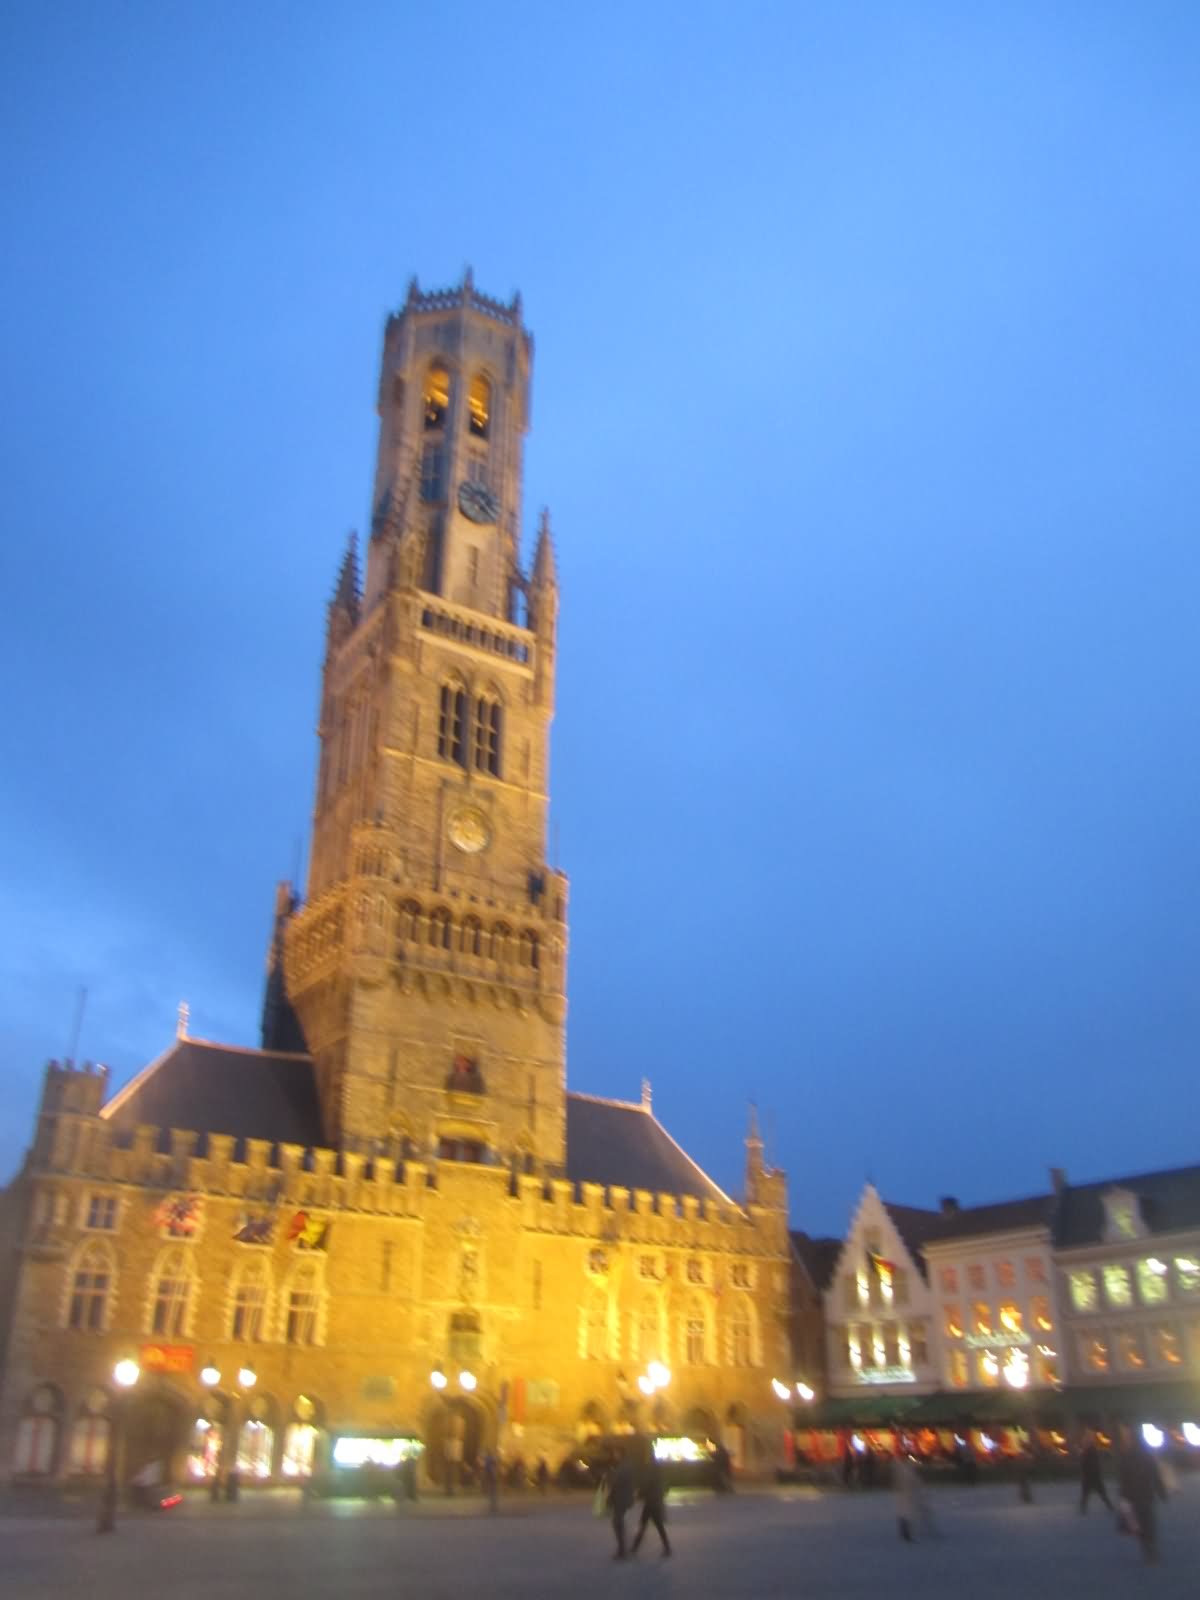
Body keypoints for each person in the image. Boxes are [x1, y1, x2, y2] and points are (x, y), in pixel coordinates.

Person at [1117, 1426, 1167, 1564]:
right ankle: (1151, 1550)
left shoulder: (1126, 1456)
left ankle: (1147, 1550)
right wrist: (1161, 1491)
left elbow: (1123, 1478)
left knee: (1138, 1524)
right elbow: (1155, 1475)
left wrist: (1122, 1496)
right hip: (1146, 1494)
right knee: (1148, 1522)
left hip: (1132, 1495)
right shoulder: (1147, 1455)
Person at [630, 1448, 671, 1558]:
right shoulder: (659, 1471)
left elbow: (647, 1485)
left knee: (646, 1525)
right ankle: (666, 1547)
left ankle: (635, 1548)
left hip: (651, 1502)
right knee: (657, 1526)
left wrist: (640, 1494)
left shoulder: (651, 1470)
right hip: (655, 1501)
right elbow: (664, 1486)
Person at [892, 1453, 934, 1543]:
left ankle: (906, 1531)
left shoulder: (904, 1469)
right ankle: (906, 1532)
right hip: (906, 1495)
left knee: (906, 1512)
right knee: (907, 1512)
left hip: (906, 1495)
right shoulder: (905, 1470)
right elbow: (911, 1481)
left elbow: (911, 1481)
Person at [606, 1450, 636, 1560]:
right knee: (618, 1522)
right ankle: (622, 1548)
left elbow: (616, 1481)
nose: (615, 1455)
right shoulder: (624, 1466)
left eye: (616, 1454)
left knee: (617, 1522)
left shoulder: (624, 1467)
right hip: (622, 1498)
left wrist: (610, 1476)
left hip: (621, 1498)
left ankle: (622, 1549)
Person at [1078, 1429, 1112, 1514]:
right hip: (1093, 1476)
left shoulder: (1089, 1451)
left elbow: (1086, 1464)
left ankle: (1083, 1509)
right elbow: (1089, 1464)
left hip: (1091, 1476)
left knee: (1087, 1494)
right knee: (1097, 1493)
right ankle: (1109, 1506)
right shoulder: (1090, 1450)